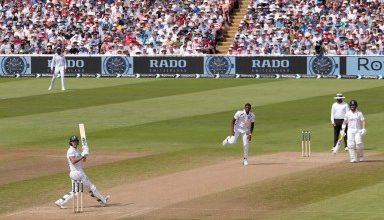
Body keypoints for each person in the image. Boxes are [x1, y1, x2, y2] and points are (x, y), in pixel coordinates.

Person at [55, 135, 110, 209]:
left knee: (76, 192)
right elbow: (73, 161)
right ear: (70, 142)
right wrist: (82, 154)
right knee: (91, 187)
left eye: (75, 141)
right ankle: (103, 201)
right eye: (73, 141)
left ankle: (60, 202)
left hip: (76, 173)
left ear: (77, 142)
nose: (74, 142)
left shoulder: (77, 150)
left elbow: (83, 160)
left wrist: (85, 152)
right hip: (77, 173)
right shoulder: (70, 150)